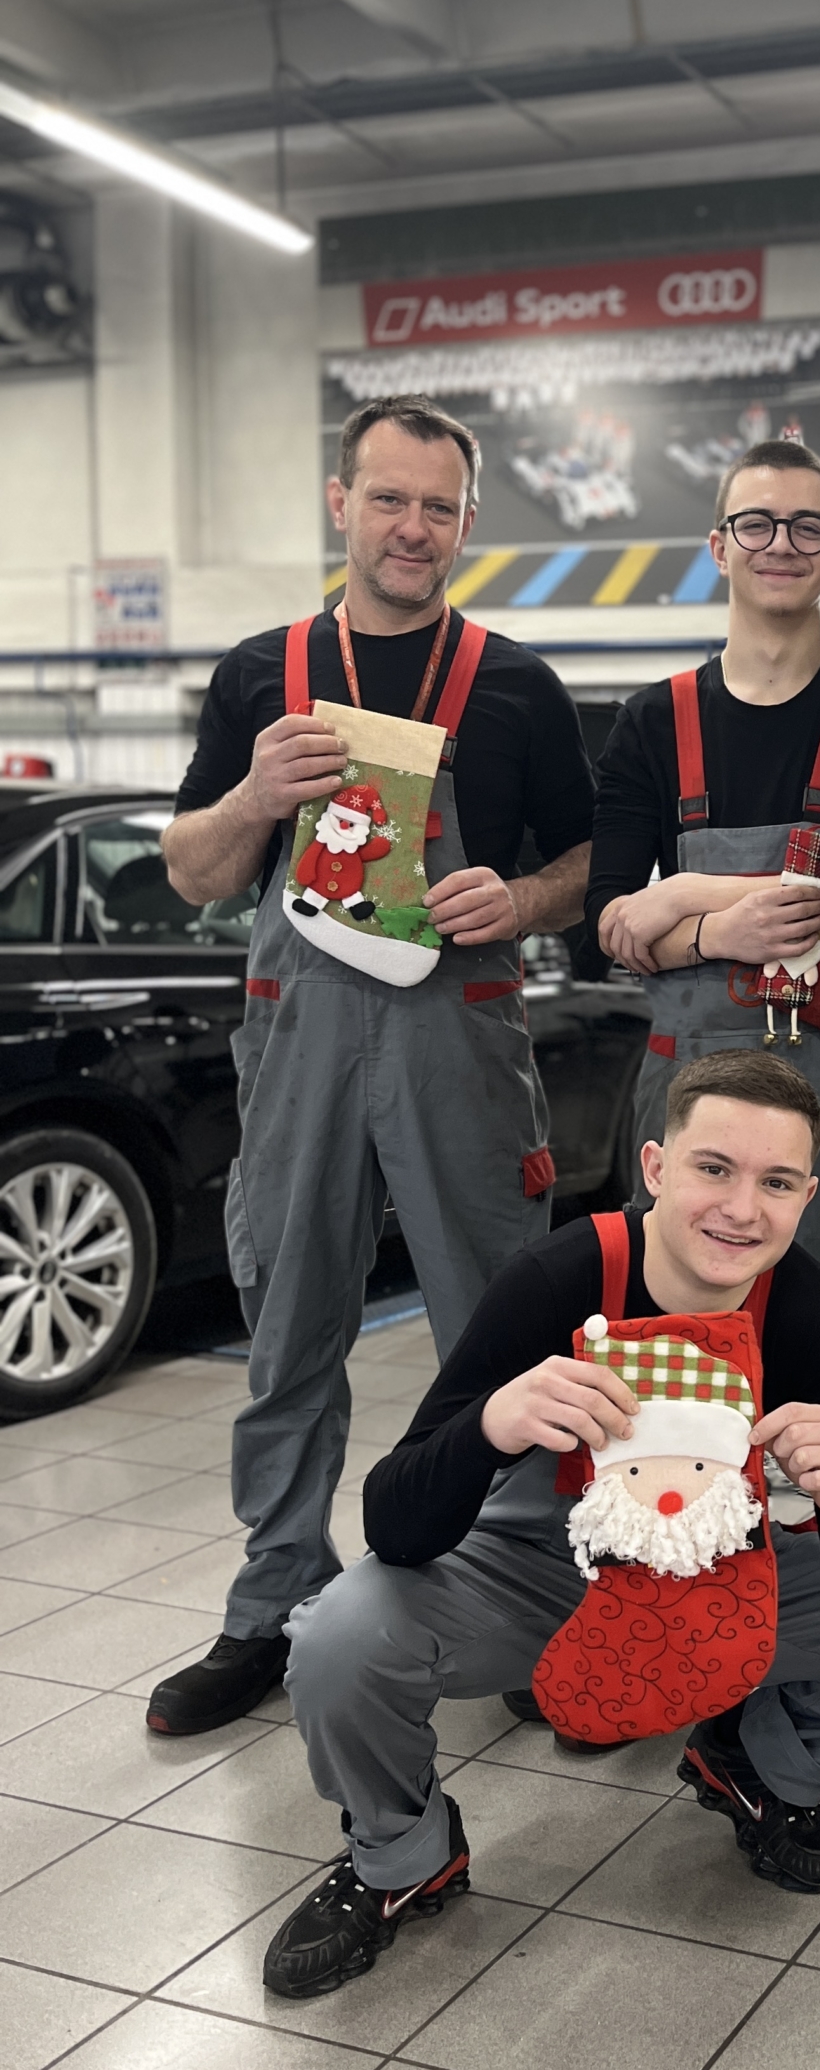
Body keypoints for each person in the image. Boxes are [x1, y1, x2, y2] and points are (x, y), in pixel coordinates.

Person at [260, 1052, 820, 1999]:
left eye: (776, 1183)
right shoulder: (558, 1277)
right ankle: (403, 1859)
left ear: (808, 1196)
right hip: (543, 1569)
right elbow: (394, 1521)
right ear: (655, 1167)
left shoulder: (813, 1310)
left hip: (724, 1572)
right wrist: (490, 1424)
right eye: (713, 1168)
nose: (741, 1210)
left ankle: (752, 1765)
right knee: (339, 1637)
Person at [146, 394, 596, 1739]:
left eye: (438, 506)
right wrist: (253, 797)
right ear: (341, 501)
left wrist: (519, 900)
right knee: (288, 1325)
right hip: (300, 1034)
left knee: (502, 1328)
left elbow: (588, 863)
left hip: (461, 1032)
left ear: (468, 521)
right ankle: (272, 1601)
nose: (413, 527)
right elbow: (194, 871)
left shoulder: (517, 685)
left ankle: (521, 1598)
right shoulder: (260, 675)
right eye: (389, 498)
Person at [588, 439, 820, 1484]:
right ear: (719, 547)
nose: (783, 543)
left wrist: (679, 896)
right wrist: (715, 933)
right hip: (684, 1080)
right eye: (757, 524)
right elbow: (607, 922)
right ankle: (667, 1542)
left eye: (807, 526)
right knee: (671, 1331)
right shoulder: (652, 723)